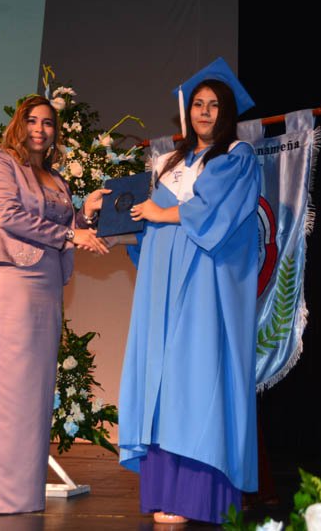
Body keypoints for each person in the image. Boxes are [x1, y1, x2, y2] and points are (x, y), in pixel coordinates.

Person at [113, 57, 262, 525]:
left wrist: (161, 214)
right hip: (160, 290)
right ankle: (165, 491)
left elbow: (213, 211)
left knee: (195, 382)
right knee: (162, 385)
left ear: (227, 112)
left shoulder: (237, 156)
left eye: (213, 105)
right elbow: (145, 221)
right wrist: (111, 220)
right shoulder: (172, 163)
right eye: (197, 104)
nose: (203, 112)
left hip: (204, 289)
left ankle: (196, 497)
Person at [0, 95, 109, 514]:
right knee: (8, 388)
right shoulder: (0, 162)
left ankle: (24, 495)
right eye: (32, 120)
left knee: (35, 392)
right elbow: (9, 216)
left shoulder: (56, 179)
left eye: (48, 123)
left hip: (48, 285)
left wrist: (85, 215)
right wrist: (70, 234)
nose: (40, 129)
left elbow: (68, 229)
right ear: (19, 123)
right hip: (13, 280)